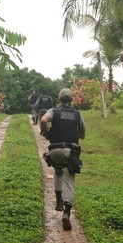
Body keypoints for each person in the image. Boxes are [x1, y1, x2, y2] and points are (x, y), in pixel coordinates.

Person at [40, 88, 86, 231]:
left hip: (54, 151)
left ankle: (59, 202)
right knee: (69, 179)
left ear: (59, 99)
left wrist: (45, 132)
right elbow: (83, 135)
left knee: (58, 172)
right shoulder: (77, 115)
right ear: (72, 100)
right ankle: (66, 212)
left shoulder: (54, 111)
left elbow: (43, 119)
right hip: (69, 152)